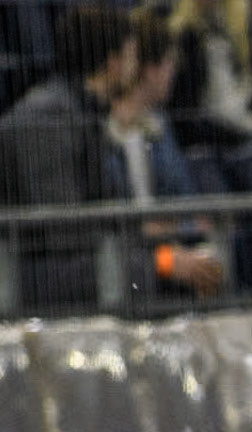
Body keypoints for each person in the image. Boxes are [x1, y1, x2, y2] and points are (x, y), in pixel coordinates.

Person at [0, 6, 138, 310]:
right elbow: (64, 233)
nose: (135, 66)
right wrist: (160, 264)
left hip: (69, 265)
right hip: (36, 276)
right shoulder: (47, 118)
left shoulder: (82, 113)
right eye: (132, 54)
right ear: (113, 62)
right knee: (143, 274)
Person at [106, 8, 226, 300]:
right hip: (128, 257)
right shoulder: (101, 131)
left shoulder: (159, 127)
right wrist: (161, 243)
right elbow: (117, 224)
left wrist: (168, 230)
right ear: (149, 68)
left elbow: (187, 205)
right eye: (170, 62)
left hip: (165, 247)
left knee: (209, 265)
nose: (174, 71)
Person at [166, 0, 252, 151]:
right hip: (210, 142)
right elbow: (189, 115)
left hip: (243, 126)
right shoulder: (184, 36)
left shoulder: (240, 29)